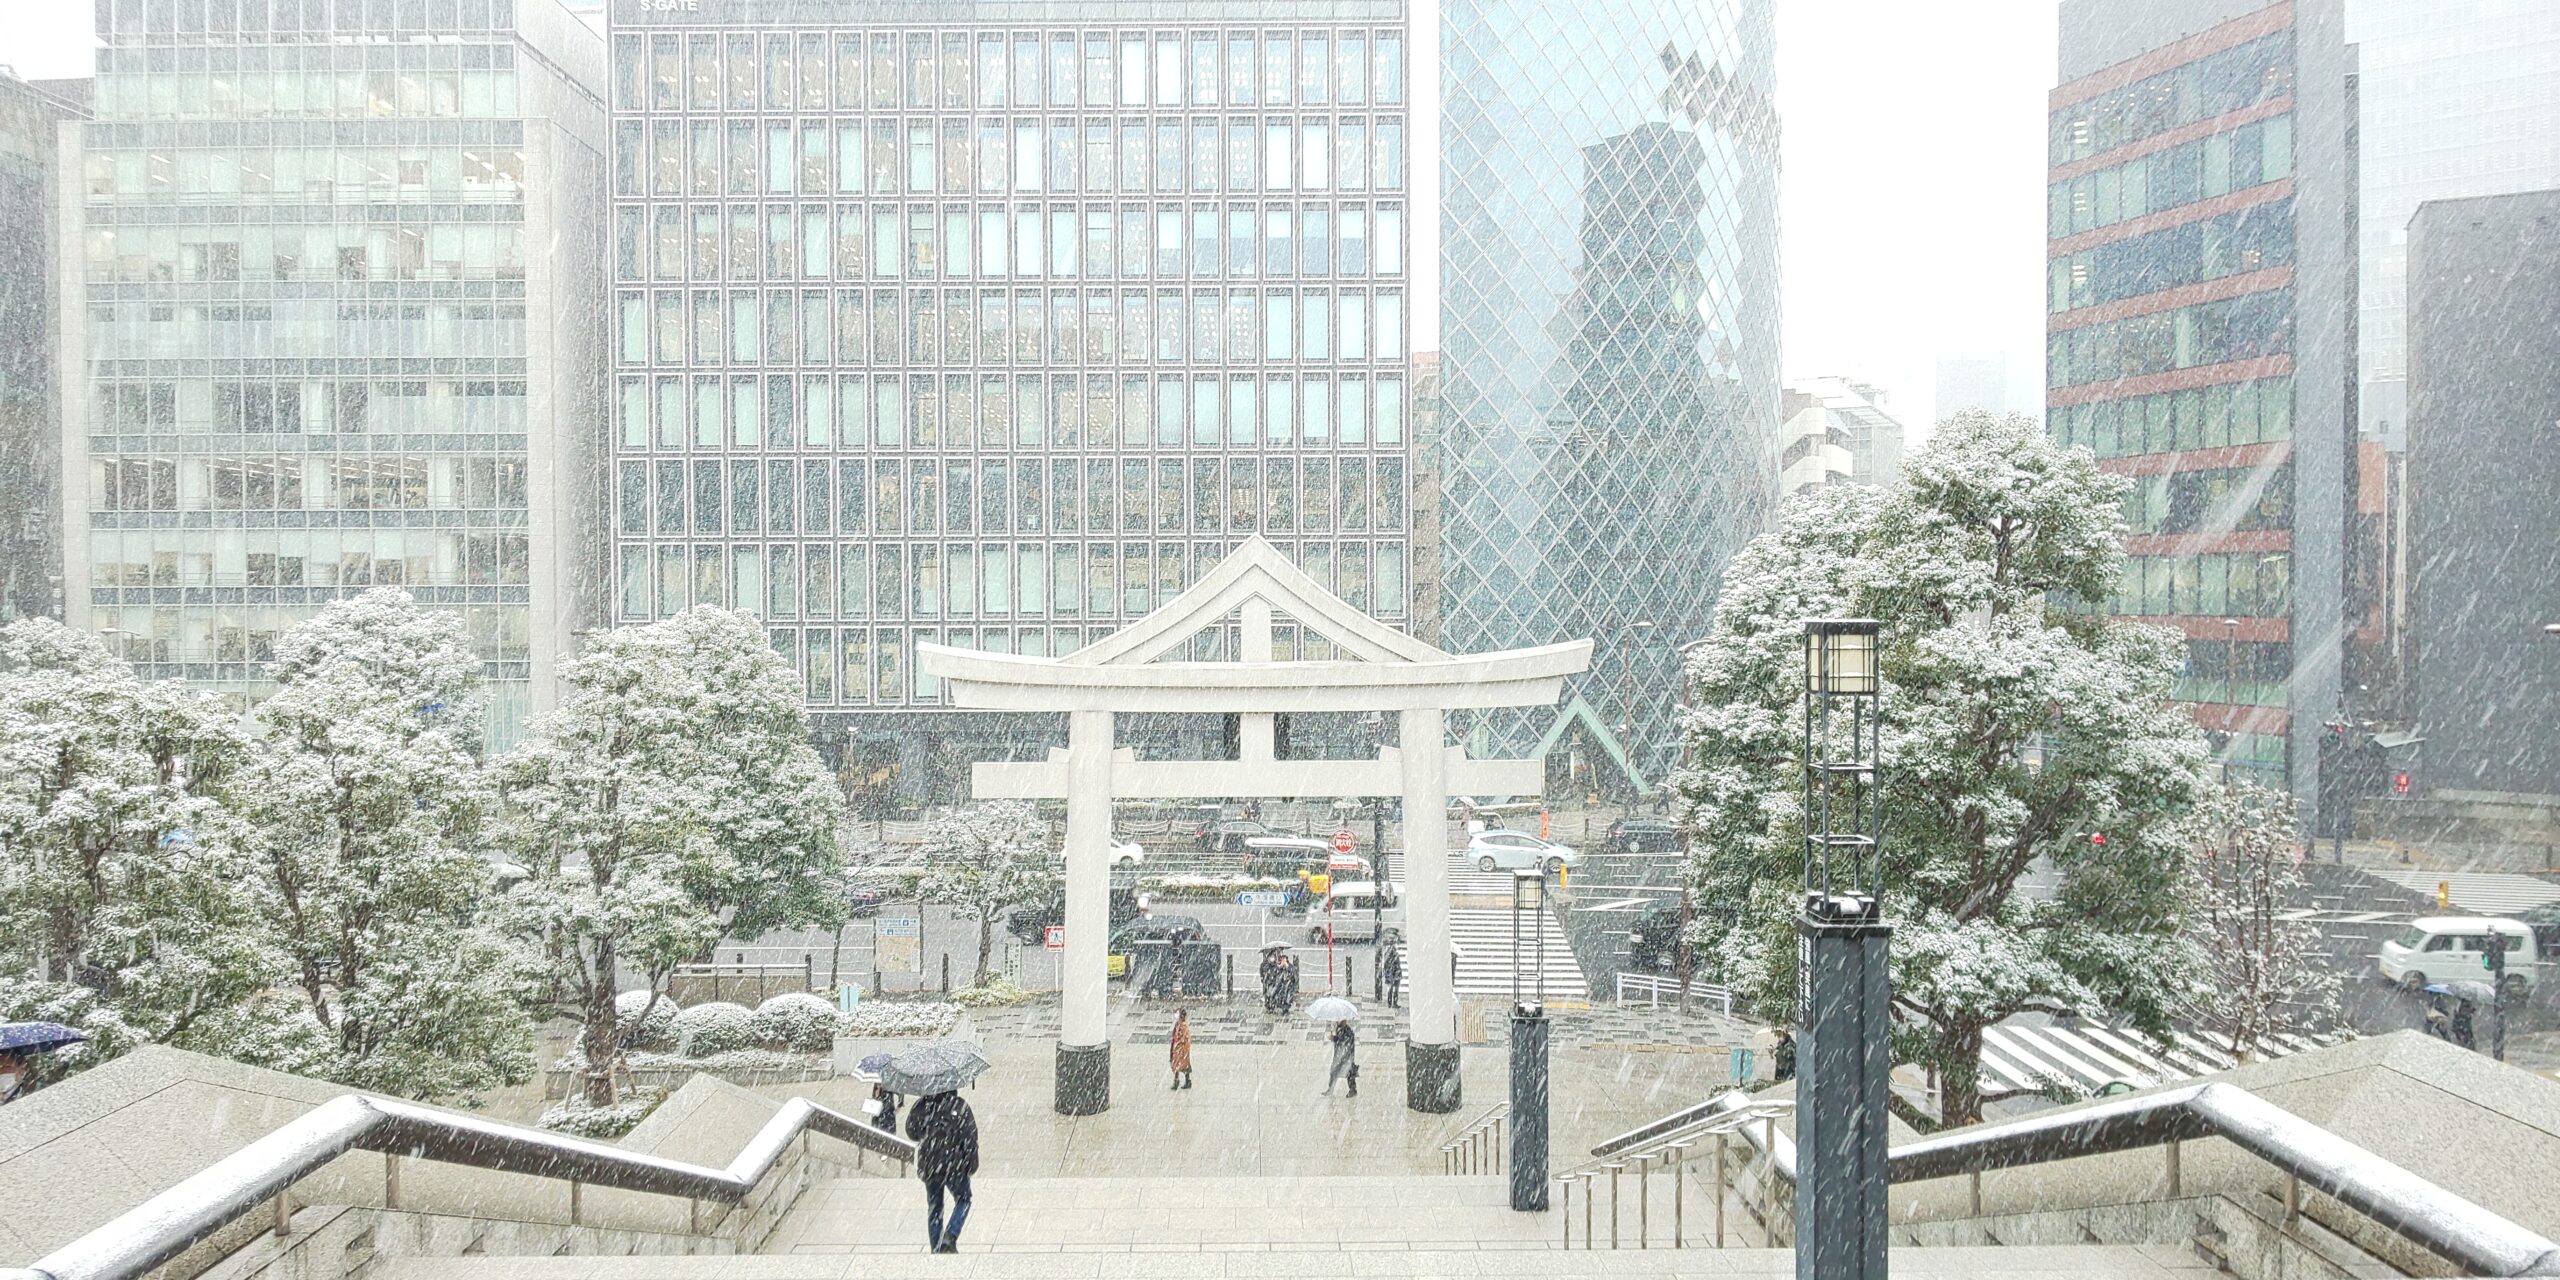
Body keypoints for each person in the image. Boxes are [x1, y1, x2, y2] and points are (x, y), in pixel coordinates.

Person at [904, 1089, 979, 1254]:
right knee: (964, 1199)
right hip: (955, 1164)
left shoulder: (922, 1105)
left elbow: (911, 1131)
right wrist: (971, 1163)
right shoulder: (959, 1106)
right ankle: (950, 1235)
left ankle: (936, 1248)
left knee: (935, 1207)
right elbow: (970, 1138)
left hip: (930, 1163)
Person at [1323, 1019, 1358, 1097]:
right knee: (1334, 1072)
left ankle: (1352, 1090)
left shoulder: (1348, 1030)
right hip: (1341, 1055)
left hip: (1346, 1056)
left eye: (1339, 1020)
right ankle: (1331, 1089)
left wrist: (1334, 1038)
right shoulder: (1340, 1029)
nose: (1337, 1021)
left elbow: (1344, 1041)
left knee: (1348, 1073)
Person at [1169, 1008, 1194, 1090]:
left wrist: (1177, 1046)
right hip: (1178, 1049)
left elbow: (1183, 1038)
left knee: (1180, 1065)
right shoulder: (1179, 1024)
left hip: (1181, 1049)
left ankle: (1179, 1081)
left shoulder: (1183, 1025)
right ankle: (1185, 1080)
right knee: (1180, 1065)